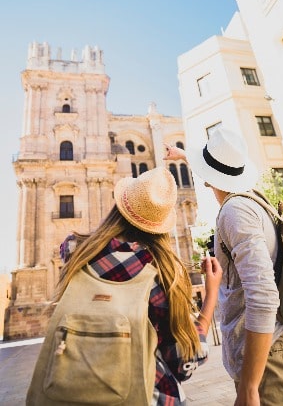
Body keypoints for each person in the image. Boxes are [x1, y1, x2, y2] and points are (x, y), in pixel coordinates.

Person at [164, 127, 283, 406]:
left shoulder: (235, 212)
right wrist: (183, 155)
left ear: (207, 179)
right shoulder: (255, 200)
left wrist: (250, 386)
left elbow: (263, 294)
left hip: (267, 362)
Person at [57, 166, 222, 406]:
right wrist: (211, 293)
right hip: (147, 395)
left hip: (79, 389)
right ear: (160, 226)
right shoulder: (157, 274)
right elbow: (184, 361)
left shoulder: (73, 250)